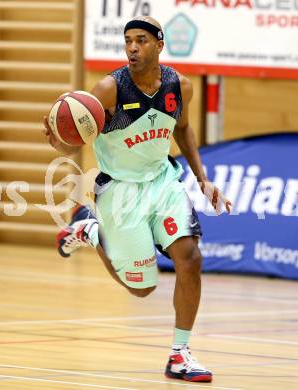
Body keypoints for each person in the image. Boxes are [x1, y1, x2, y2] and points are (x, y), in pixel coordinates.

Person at [44, 16, 231, 383]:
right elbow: (79, 133)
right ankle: (92, 231)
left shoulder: (180, 86)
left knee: (190, 259)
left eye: (141, 40)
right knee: (142, 288)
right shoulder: (109, 89)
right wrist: (59, 135)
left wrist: (202, 179)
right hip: (119, 189)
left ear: (159, 45)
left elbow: (183, 128)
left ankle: (180, 354)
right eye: (128, 40)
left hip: (162, 182)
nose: (132, 47)